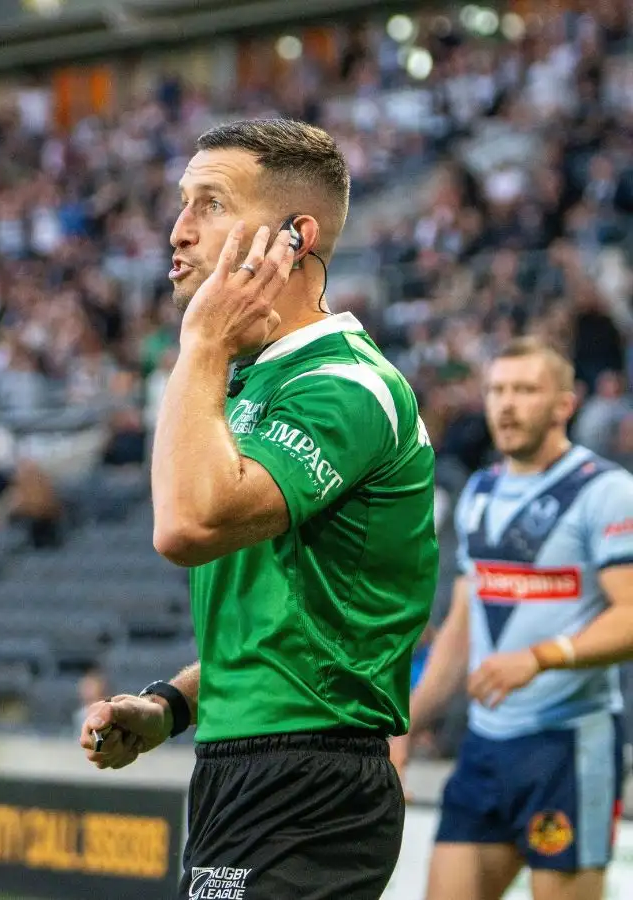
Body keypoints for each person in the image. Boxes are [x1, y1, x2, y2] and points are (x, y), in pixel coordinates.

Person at [79, 118, 438, 899]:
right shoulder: (254, 392)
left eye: (209, 204)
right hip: (243, 767)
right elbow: (293, 635)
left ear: (295, 237)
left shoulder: (346, 388)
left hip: (312, 780)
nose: (177, 232)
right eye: (181, 204)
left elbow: (184, 526)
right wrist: (171, 705)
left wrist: (201, 341)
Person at [393, 339, 633, 900]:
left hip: (569, 746)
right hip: (486, 745)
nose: (506, 404)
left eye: (525, 390)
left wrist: (541, 657)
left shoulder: (607, 491)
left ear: (563, 405)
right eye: (498, 389)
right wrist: (407, 724)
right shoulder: (480, 491)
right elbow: (461, 628)